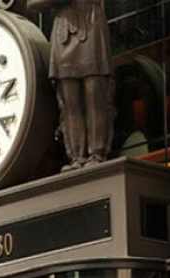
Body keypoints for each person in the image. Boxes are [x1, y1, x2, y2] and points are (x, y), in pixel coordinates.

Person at [27, 0, 114, 170]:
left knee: (94, 92)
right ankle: (77, 156)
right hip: (64, 29)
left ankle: (98, 152)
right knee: (69, 99)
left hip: (91, 22)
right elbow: (33, 3)